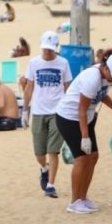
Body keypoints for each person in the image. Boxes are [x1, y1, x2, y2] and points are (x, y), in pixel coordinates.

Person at [55, 48, 112, 214]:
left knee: (93, 157)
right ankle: (74, 202)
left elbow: (102, 96)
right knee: (81, 158)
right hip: (69, 118)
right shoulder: (92, 78)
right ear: (106, 68)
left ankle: (83, 197)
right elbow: (81, 109)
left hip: (85, 119)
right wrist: (85, 137)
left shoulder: (104, 79)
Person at [22, 31, 72, 199]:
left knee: (53, 150)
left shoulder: (63, 63)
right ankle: (44, 168)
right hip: (38, 111)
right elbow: (29, 87)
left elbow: (67, 87)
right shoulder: (33, 63)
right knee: (39, 153)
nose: (47, 52)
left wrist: (70, 109)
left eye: (50, 49)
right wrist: (25, 110)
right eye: (45, 49)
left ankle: (50, 185)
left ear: (56, 48)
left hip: (57, 111)